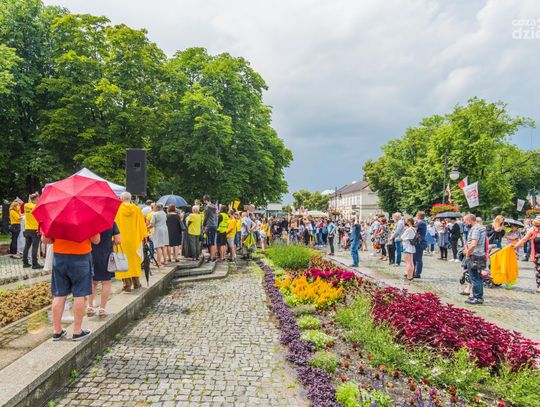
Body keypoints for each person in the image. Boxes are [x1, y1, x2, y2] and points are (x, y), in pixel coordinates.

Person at [42, 232, 100, 341]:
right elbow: (96, 240)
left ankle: (57, 331)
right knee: (79, 294)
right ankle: (77, 331)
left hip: (60, 257)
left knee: (59, 295)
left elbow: (45, 240)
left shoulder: (54, 220)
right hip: (81, 256)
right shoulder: (87, 220)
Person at [114, 192, 148, 292]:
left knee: (122, 261)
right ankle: (137, 283)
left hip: (121, 240)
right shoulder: (137, 209)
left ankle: (127, 285)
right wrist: (144, 236)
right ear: (130, 198)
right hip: (135, 240)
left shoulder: (117, 209)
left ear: (121, 199)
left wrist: (113, 238)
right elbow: (142, 225)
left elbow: (114, 224)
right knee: (134, 261)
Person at [88, 222, 121, 317]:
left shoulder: (91, 222)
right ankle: (102, 309)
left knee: (93, 283)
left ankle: (90, 307)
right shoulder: (111, 222)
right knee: (106, 282)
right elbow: (118, 240)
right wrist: (110, 243)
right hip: (106, 255)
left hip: (92, 254)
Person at [463, 214, 487, 304]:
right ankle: (476, 296)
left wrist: (467, 254)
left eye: (465, 221)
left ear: (469, 220)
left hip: (474, 255)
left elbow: (473, 244)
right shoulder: (481, 227)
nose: (464, 223)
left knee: (474, 277)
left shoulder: (476, 229)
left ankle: (478, 297)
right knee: (478, 277)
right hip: (480, 255)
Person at [514, 216, 540, 293]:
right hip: (537, 254)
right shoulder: (532, 230)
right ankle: (539, 286)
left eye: (538, 226)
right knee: (539, 270)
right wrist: (515, 246)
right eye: (535, 225)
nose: (536, 227)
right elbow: (524, 239)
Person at [22, 193, 43, 269]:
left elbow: (29, 201)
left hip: (27, 229)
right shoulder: (36, 207)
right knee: (35, 247)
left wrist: (33, 196)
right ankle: (35, 264)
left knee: (26, 246)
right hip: (35, 229)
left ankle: (25, 263)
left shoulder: (26, 205)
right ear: (36, 199)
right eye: (38, 198)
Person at [203, 195, 218, 262]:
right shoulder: (214, 206)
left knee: (210, 242)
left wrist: (204, 225)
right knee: (213, 241)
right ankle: (213, 256)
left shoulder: (207, 207)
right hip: (214, 225)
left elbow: (205, 217)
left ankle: (212, 257)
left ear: (205, 200)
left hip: (209, 225)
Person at [413, 211, 427, 278]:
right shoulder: (420, 222)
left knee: (418, 258)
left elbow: (414, 229)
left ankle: (417, 273)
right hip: (417, 242)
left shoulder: (421, 223)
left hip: (419, 242)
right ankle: (412, 272)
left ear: (418, 216)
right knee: (414, 258)